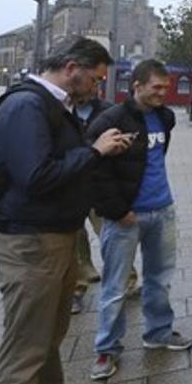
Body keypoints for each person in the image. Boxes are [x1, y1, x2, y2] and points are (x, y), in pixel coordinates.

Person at [0, 37, 130, 384]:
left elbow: (55, 163)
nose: (96, 87)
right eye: (95, 77)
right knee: (24, 347)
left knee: (50, 333)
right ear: (72, 68)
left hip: (55, 239)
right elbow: (36, 176)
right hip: (30, 243)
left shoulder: (54, 106)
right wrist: (96, 152)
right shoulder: (27, 107)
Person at [88, 59, 192, 381]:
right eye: (156, 87)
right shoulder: (110, 120)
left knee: (160, 278)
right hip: (125, 218)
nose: (164, 93)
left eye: (166, 87)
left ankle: (158, 332)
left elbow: (155, 161)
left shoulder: (165, 118)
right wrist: (118, 211)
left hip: (163, 209)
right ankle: (107, 349)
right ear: (137, 86)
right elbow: (94, 172)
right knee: (115, 286)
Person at [70, 90, 138, 315]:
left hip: (100, 186)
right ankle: (77, 289)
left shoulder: (109, 111)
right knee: (75, 241)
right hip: (72, 185)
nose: (83, 91)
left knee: (112, 234)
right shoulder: (60, 112)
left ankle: (128, 281)